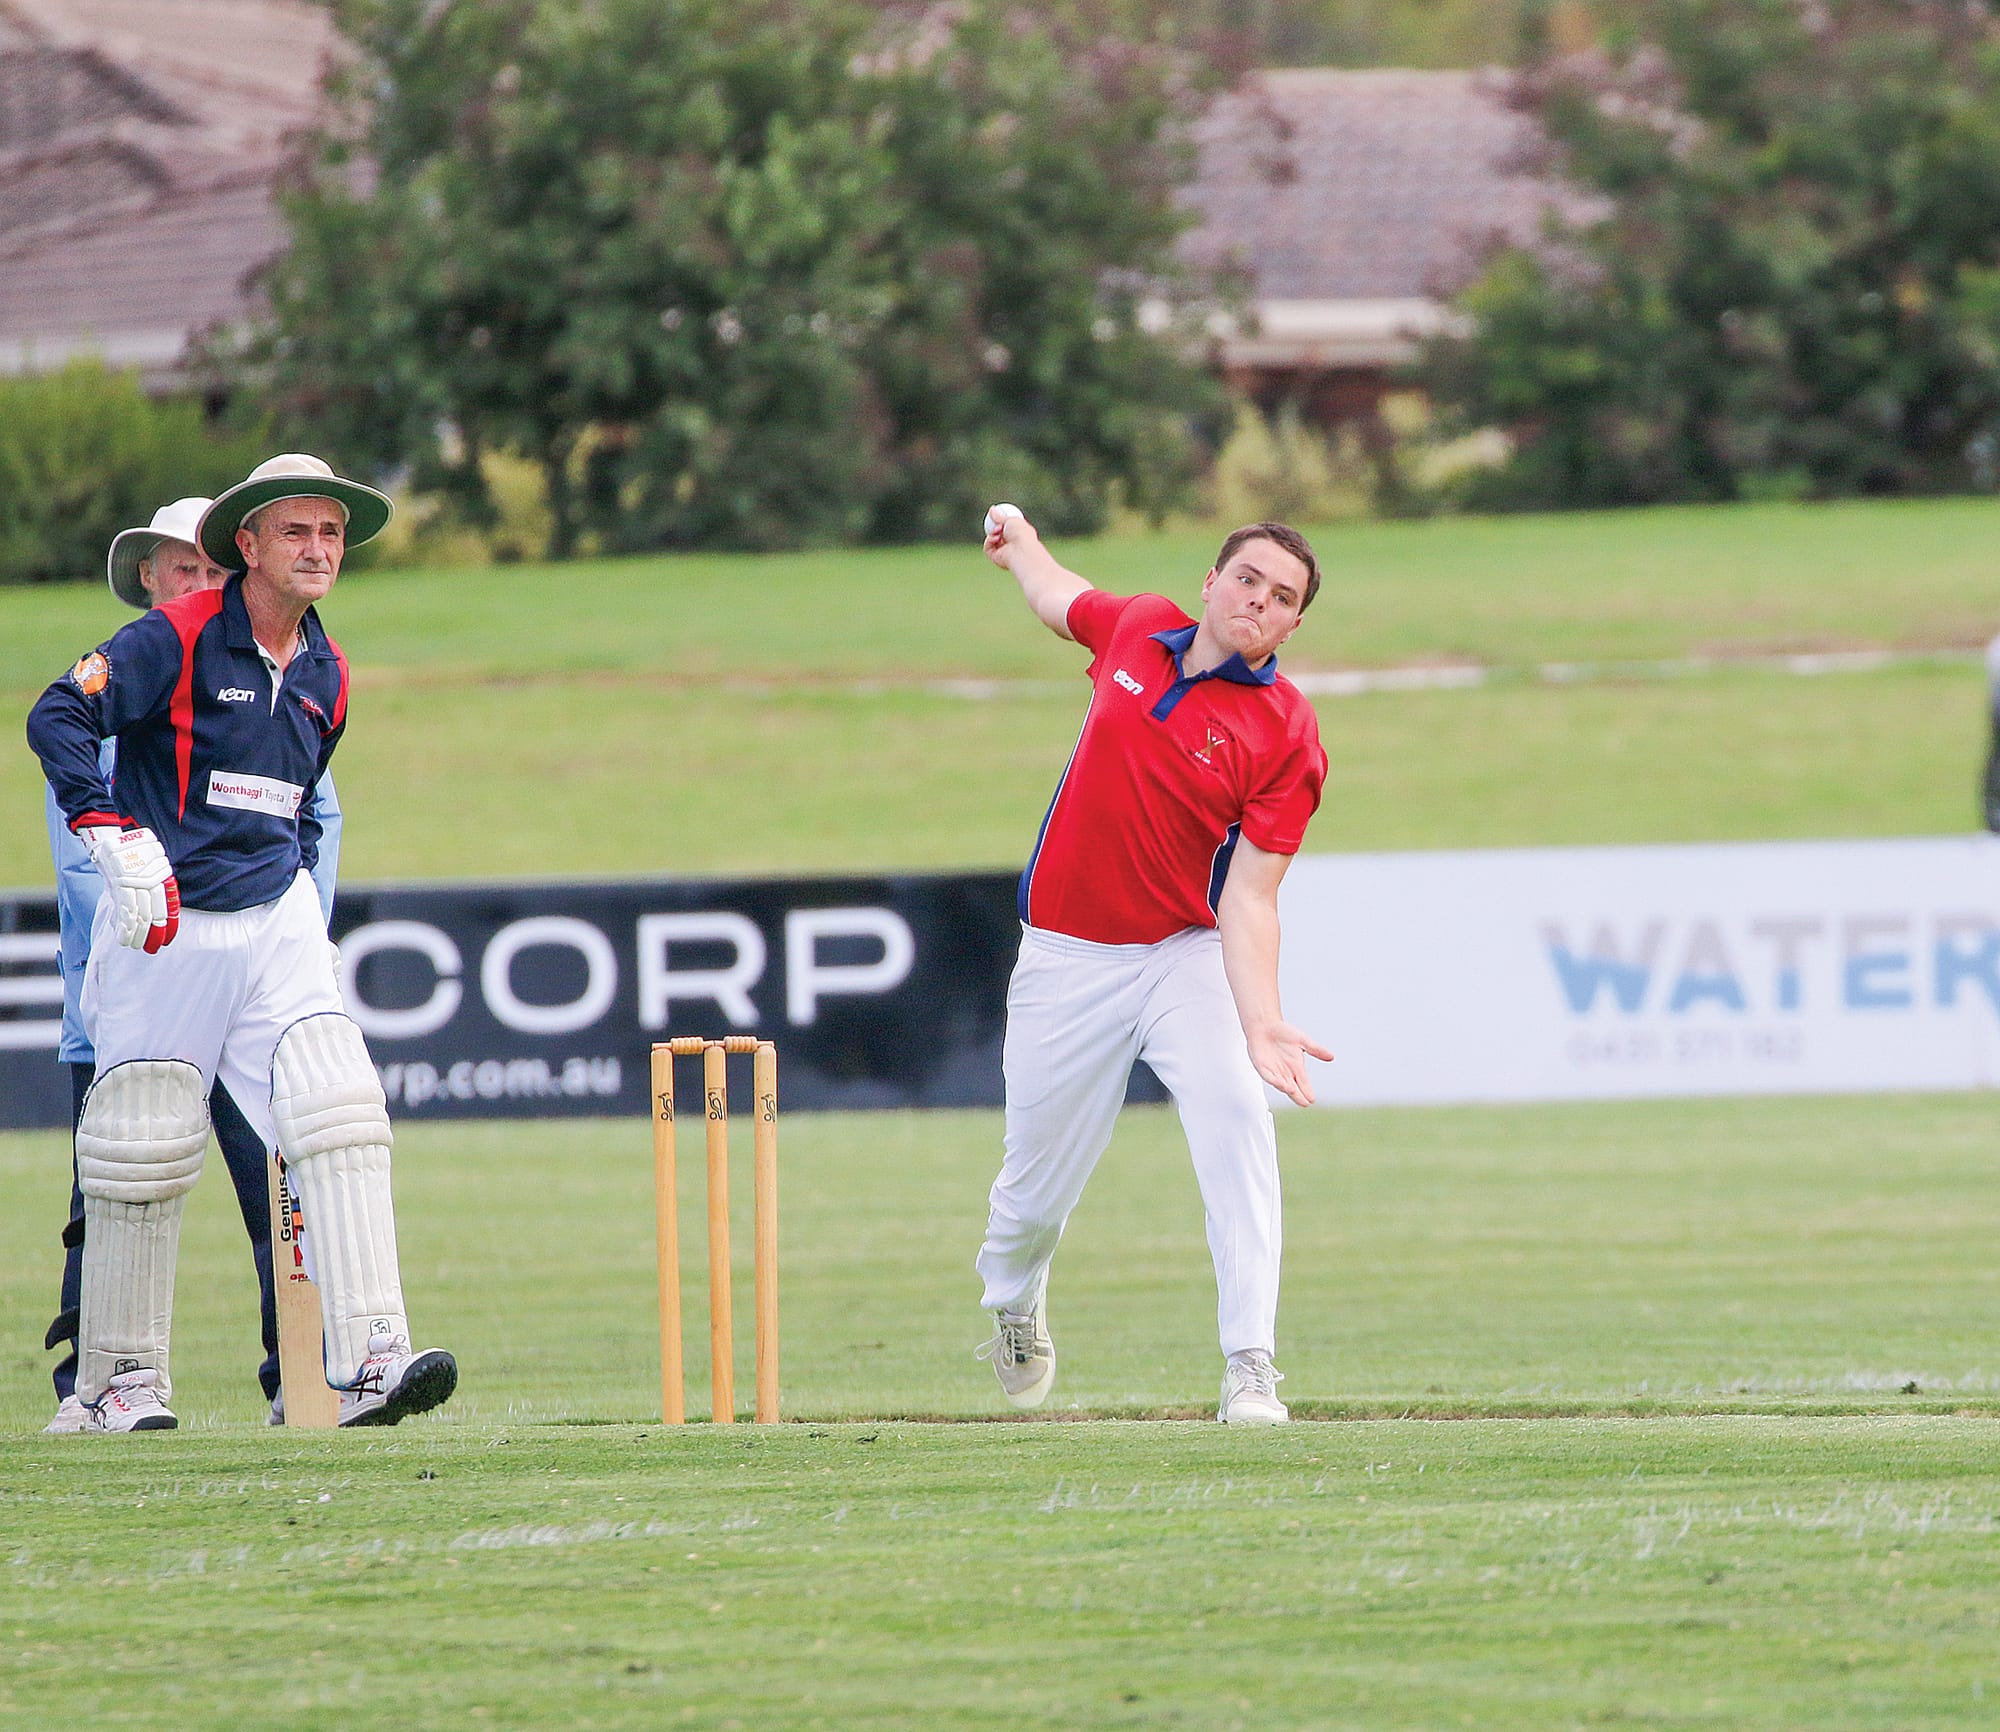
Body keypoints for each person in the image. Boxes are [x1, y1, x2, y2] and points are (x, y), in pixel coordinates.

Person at [26, 452, 455, 1433]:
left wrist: (299, 893)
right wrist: (107, 830)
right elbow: (58, 713)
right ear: (248, 544)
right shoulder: (174, 635)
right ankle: (120, 1381)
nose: (319, 549)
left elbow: (298, 805)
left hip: (275, 916)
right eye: (297, 530)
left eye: (331, 533)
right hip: (167, 919)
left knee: (340, 1110)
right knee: (142, 1144)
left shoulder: (327, 673)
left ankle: (370, 1358)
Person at [972, 510, 1332, 1426]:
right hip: (1065, 957)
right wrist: (1021, 547)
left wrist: (1262, 1021)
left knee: (1237, 1117)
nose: (1259, 601)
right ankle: (1014, 1298)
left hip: (1182, 953)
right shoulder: (1137, 628)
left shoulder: (1287, 731)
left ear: (1293, 625)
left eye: (1282, 597)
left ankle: (1250, 1366)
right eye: (1248, 579)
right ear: (1210, 583)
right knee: (1031, 1197)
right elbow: (1060, 599)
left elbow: (1251, 897)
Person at [40, 498, 345, 1432]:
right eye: (187, 569)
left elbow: (309, 822)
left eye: (216, 572)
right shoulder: (138, 678)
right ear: (150, 577)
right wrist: (153, 936)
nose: (206, 586)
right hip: (138, 985)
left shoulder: (292, 675)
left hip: (248, 978)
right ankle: (97, 1388)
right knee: (120, 1184)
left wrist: (285, 951)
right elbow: (87, 863)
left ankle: (301, 1380)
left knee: (280, 1189)